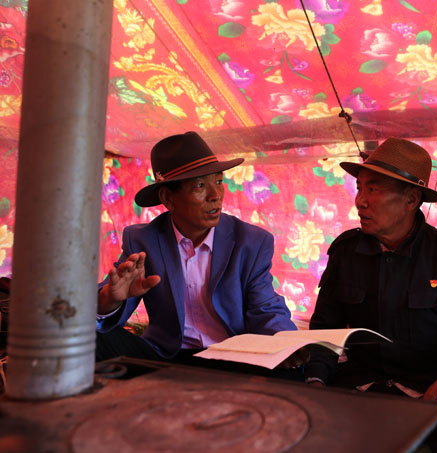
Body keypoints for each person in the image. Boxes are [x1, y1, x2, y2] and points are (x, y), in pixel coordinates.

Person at [304, 138, 437, 452]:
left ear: (411, 199)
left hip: (429, 394)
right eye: (359, 188)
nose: (360, 201)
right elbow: (325, 329)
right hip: (360, 388)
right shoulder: (346, 253)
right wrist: (316, 381)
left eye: (373, 190)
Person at [96, 131, 298, 367]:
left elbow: (266, 309)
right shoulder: (144, 240)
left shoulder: (251, 242)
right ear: (168, 198)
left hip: (232, 357)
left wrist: (286, 344)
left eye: (219, 182)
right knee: (89, 338)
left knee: (296, 365)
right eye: (200, 185)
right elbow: (109, 302)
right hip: (166, 358)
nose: (215, 195)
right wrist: (109, 299)